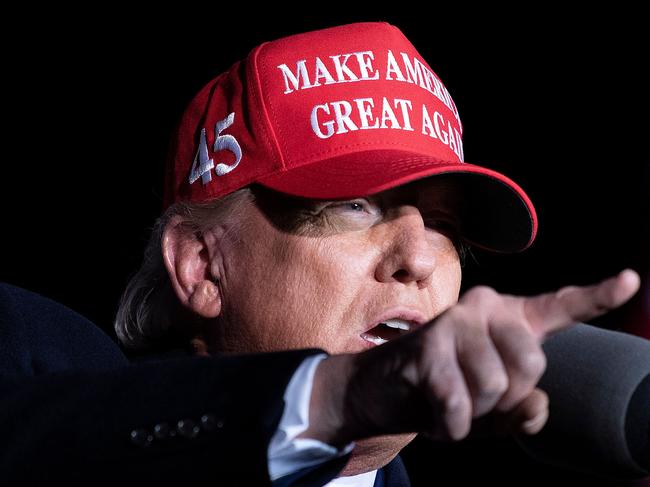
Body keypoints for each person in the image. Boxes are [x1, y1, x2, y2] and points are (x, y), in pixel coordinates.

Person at [0, 22, 643, 485]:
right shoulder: (34, 353)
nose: (419, 259)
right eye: (354, 206)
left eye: (445, 223)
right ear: (201, 264)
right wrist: (338, 397)